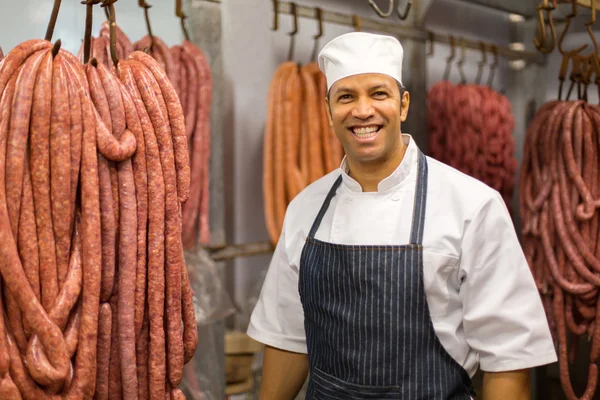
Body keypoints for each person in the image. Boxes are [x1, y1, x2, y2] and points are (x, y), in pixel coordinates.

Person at [247, 32, 557, 400]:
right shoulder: (305, 207)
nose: (363, 110)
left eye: (378, 93)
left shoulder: (473, 206)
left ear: (404, 104)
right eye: (346, 97)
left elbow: (508, 360)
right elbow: (287, 338)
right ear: (328, 112)